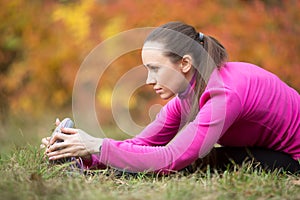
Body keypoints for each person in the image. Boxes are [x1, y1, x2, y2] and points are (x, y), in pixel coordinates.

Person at [41, 21, 300, 174]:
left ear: (185, 63)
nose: (148, 80)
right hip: (265, 150)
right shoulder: (187, 97)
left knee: (190, 162)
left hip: (292, 158)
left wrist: (97, 145)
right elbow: (143, 145)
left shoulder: (223, 94)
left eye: (155, 69)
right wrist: (81, 154)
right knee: (177, 160)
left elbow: (169, 158)